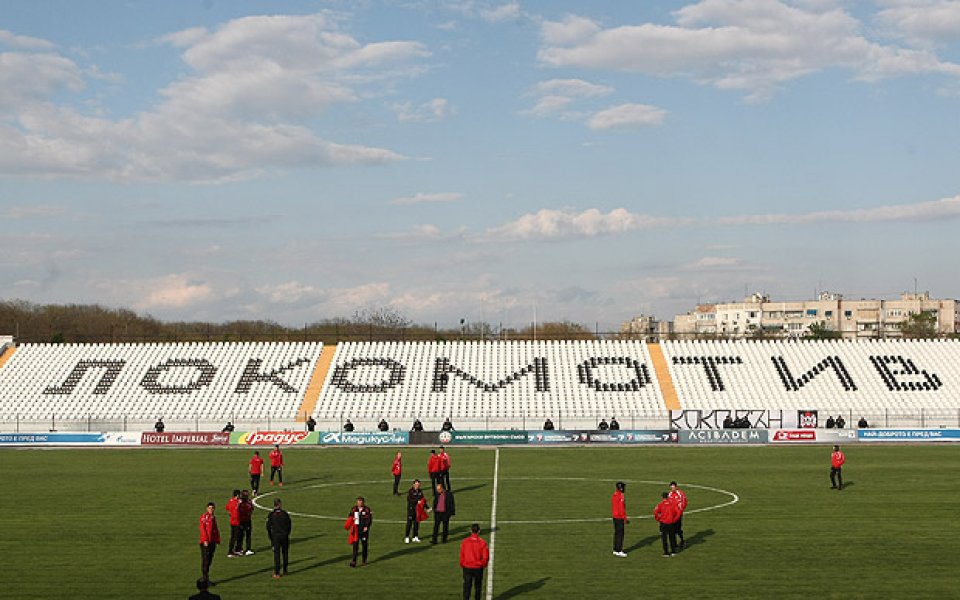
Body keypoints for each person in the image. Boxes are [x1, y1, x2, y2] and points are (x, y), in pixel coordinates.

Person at [460, 523, 490, 600]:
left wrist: (462, 564)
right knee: (478, 587)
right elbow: (485, 557)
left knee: (467, 586)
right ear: (479, 531)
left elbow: (462, 555)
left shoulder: (465, 542)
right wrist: (483, 565)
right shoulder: (482, 543)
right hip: (478, 568)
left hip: (467, 567)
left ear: (471, 530)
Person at [266, 498, 292, 579]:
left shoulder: (271, 515)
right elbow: (289, 525)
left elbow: (268, 527)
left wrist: (271, 538)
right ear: (280, 504)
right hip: (284, 536)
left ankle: (277, 572)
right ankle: (285, 570)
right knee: (285, 553)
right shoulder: (285, 514)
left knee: (277, 555)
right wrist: (287, 534)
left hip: (276, 537)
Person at [344, 496, 373, 567]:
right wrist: (352, 518)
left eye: (360, 502)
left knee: (364, 546)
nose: (359, 503)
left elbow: (369, 519)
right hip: (356, 531)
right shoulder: (354, 509)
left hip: (364, 531)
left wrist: (366, 526)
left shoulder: (367, 509)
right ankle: (354, 561)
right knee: (355, 546)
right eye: (358, 502)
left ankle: (364, 560)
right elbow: (350, 516)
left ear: (363, 502)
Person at [198, 502, 220, 585]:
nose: (211, 510)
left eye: (213, 508)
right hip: (206, 542)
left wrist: (217, 540)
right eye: (210, 508)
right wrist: (205, 540)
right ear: (207, 509)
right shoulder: (205, 517)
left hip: (212, 542)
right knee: (206, 561)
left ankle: (206, 578)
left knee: (209, 560)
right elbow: (202, 529)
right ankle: (205, 579)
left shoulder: (212, 517)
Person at [654, 492, 680, 557]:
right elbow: (678, 512)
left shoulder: (660, 505)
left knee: (664, 538)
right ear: (668, 496)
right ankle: (673, 551)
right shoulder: (673, 504)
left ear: (662, 497)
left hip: (663, 524)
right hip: (671, 523)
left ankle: (666, 552)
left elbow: (655, 512)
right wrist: (675, 520)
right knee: (672, 537)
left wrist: (658, 519)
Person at [405, 479, 429, 543]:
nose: (417, 486)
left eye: (418, 484)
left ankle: (415, 537)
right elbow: (409, 500)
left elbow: (423, 500)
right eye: (416, 484)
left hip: (418, 510)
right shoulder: (410, 491)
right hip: (411, 510)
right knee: (409, 524)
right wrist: (417, 501)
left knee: (416, 524)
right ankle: (407, 536)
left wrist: (427, 508)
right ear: (413, 484)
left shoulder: (420, 491)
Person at [668, 481, 688, 549]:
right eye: (671, 487)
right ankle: (675, 544)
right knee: (672, 529)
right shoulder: (670, 494)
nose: (672, 489)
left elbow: (684, 502)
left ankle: (682, 541)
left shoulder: (680, 493)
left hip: (678, 514)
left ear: (676, 487)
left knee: (678, 528)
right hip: (671, 515)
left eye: (673, 487)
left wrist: (680, 511)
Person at [611, 481, 628, 557]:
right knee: (620, 534)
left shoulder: (614, 494)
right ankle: (619, 550)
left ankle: (615, 549)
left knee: (616, 533)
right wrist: (624, 518)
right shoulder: (620, 496)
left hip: (614, 516)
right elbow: (621, 508)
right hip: (619, 517)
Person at [225, 489, 242, 557]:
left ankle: (234, 550)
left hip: (232, 522)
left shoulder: (231, 500)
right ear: (237, 495)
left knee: (233, 537)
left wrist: (230, 513)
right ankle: (231, 551)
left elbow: (227, 507)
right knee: (235, 537)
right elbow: (236, 514)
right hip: (236, 522)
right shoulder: (236, 503)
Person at [238, 490, 254, 555]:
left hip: (242, 520)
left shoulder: (240, 503)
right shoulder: (247, 503)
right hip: (245, 520)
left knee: (242, 535)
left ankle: (241, 549)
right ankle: (247, 549)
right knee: (246, 535)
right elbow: (251, 510)